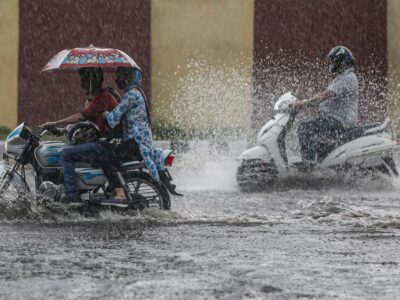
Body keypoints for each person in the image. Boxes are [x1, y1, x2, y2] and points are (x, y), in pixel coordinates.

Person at [40, 67, 119, 206]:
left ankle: (72, 197)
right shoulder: (99, 97)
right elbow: (87, 124)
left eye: (84, 79)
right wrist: (61, 130)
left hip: (105, 144)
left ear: (92, 79)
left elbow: (81, 116)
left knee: (65, 154)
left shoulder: (103, 98)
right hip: (105, 142)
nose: (81, 82)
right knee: (67, 149)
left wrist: (55, 122)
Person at [100, 66, 165, 207]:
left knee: (105, 156)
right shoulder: (139, 93)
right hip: (141, 142)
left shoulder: (131, 95)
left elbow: (113, 119)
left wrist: (104, 113)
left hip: (136, 143)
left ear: (128, 78)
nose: (117, 80)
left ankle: (120, 194)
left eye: (120, 77)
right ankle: (117, 185)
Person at [294, 46, 359, 164]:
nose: (332, 63)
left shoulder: (347, 78)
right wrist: (307, 105)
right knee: (318, 141)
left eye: (334, 60)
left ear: (341, 61)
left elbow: (325, 96)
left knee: (305, 127)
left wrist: (303, 103)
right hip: (335, 119)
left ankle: (308, 165)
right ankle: (319, 166)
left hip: (340, 120)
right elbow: (325, 101)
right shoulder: (342, 78)